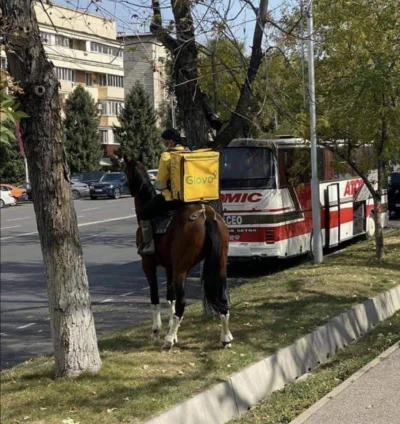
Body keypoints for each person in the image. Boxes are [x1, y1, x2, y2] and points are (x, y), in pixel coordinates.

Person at [138, 128, 187, 255]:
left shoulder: (166, 156)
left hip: (172, 199)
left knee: (144, 213)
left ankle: (149, 244)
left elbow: (160, 182)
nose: (164, 144)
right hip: (192, 197)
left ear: (170, 142)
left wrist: (157, 185)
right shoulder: (189, 153)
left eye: (164, 141)